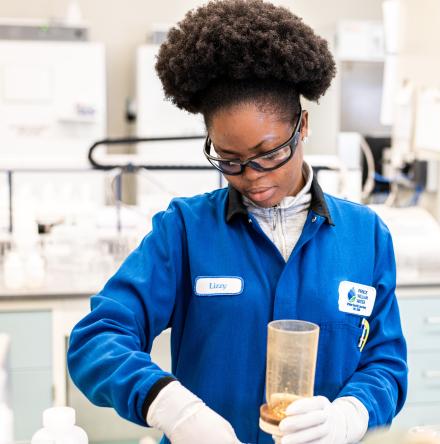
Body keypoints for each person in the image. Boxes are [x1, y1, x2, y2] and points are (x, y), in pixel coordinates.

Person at [67, 1, 407, 443]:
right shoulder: (185, 231)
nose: (252, 177)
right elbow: (96, 339)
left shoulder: (366, 237)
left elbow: (386, 365)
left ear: (302, 127)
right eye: (229, 160)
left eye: (269, 154)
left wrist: (351, 414)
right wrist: (172, 407)